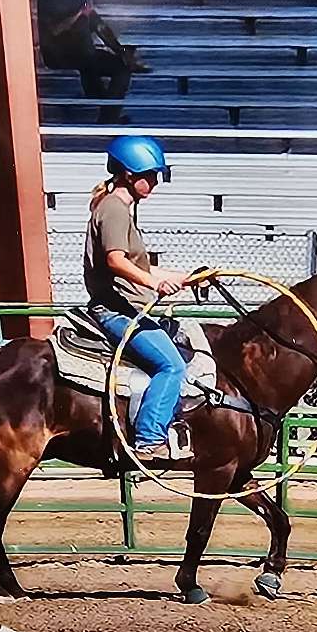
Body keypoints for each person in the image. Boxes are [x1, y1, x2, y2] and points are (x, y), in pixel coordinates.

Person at [84, 135, 193, 461]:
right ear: (129, 175)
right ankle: (149, 440)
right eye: (151, 175)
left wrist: (183, 278)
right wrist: (154, 284)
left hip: (125, 307)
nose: (155, 182)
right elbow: (116, 261)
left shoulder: (117, 208)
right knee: (172, 366)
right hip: (118, 312)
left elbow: (137, 264)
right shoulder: (115, 210)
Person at [37, 0, 150, 125]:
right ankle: (107, 114)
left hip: (85, 54)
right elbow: (54, 30)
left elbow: (100, 27)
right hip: (60, 56)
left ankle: (107, 114)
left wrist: (121, 52)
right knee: (92, 65)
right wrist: (78, 15)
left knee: (121, 66)